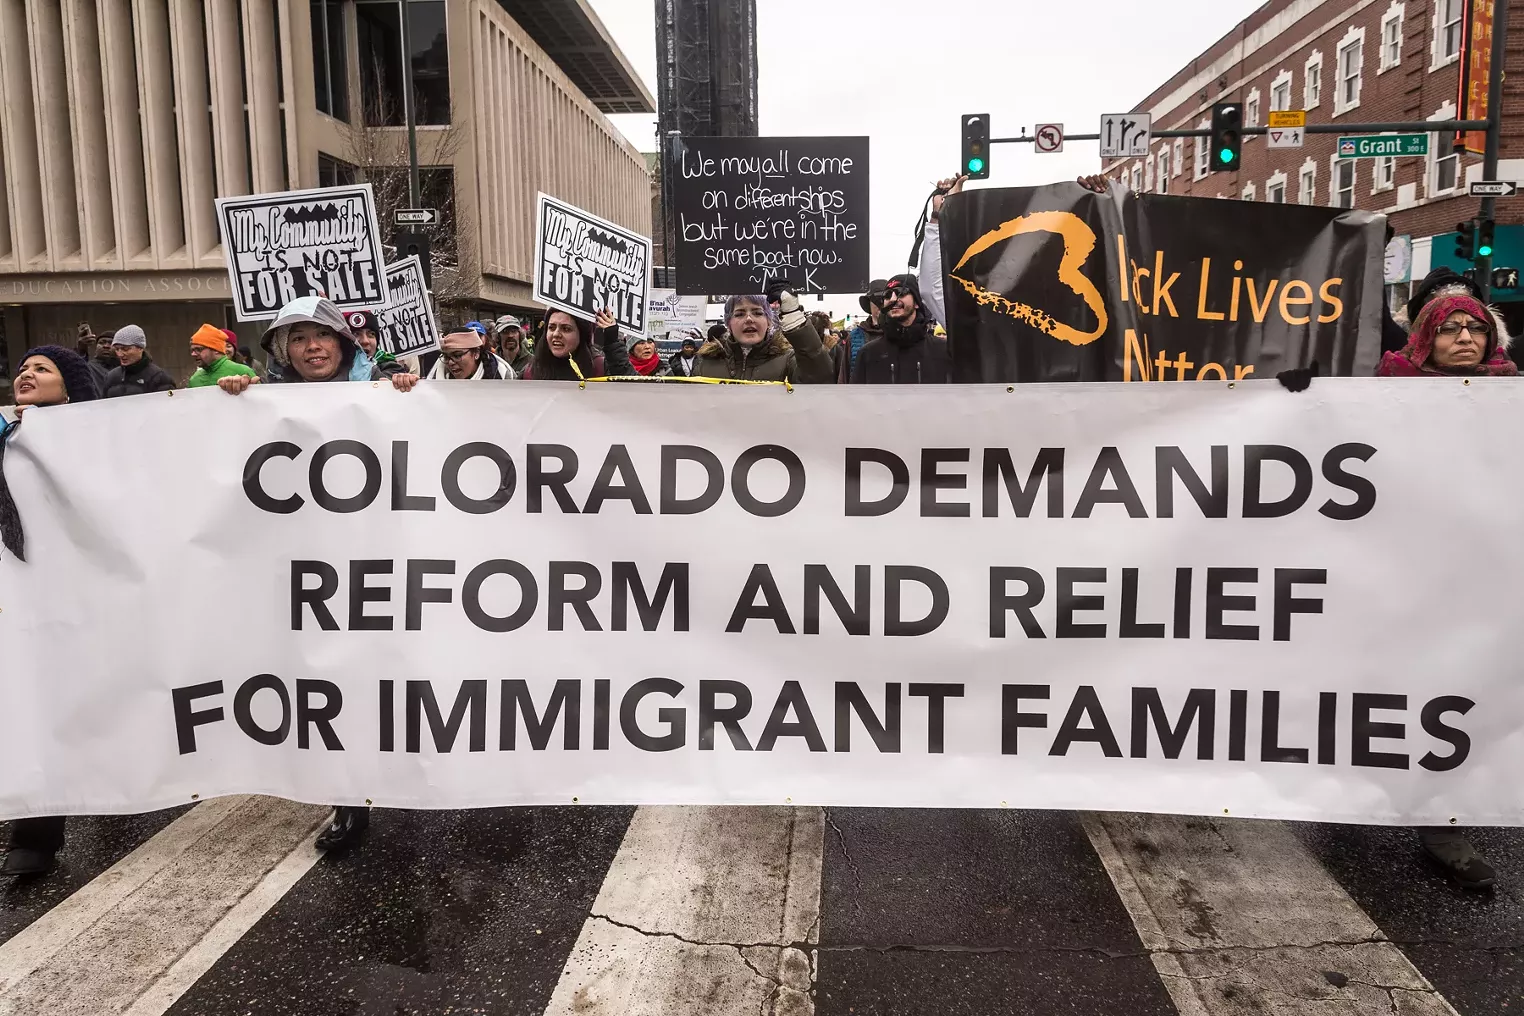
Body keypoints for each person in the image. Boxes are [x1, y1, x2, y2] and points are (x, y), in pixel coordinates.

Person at [216, 296, 416, 853]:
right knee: (329, 682)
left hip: (378, 558)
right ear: (284, 351)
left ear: (341, 343)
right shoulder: (265, 402)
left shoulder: (381, 388)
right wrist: (232, 402)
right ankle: (350, 802)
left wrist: (409, 392)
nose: (311, 347)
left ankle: (406, 775)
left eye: (319, 336)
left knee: (384, 674)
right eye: (298, 339)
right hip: (310, 571)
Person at [0, 345, 102, 876]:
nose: (27, 374)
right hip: (20, 590)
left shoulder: (100, 438)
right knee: (32, 701)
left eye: (42, 369)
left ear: (71, 387)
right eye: (23, 368)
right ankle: (36, 832)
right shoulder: (5, 433)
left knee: (92, 698)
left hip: (85, 589)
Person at [691, 287, 833, 383]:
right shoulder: (705, 364)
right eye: (740, 314)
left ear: (769, 322)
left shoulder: (787, 360)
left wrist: (793, 316)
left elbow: (820, 376)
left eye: (758, 313)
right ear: (728, 323)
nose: (749, 319)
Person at [1376, 292, 1517, 379]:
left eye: (1477, 328)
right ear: (1425, 339)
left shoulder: (1510, 382)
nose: (1466, 338)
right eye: (1449, 329)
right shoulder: (1392, 382)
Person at [851, 274, 952, 384]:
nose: (892, 299)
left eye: (901, 292)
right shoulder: (868, 354)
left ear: (917, 303)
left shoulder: (942, 350)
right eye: (887, 295)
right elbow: (856, 399)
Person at [519, 309, 632, 381]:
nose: (556, 334)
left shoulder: (600, 368)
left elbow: (635, 393)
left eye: (566, 329)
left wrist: (614, 346)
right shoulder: (529, 373)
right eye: (551, 327)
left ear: (581, 335)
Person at [102, 325, 175, 397]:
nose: (120, 354)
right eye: (117, 349)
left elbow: (168, 405)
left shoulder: (159, 377)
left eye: (125, 349)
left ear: (140, 348)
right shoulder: (111, 377)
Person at [186, 324, 258, 388]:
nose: (193, 354)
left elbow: (260, 400)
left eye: (198, 349)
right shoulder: (194, 379)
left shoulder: (242, 371)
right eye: (192, 350)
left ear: (216, 350)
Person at [427, 328, 515, 380]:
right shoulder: (436, 377)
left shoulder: (502, 374)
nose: (450, 362)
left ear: (476, 353)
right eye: (446, 356)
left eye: (457, 355)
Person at [844, 281, 888, 381]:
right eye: (876, 300)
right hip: (859, 394)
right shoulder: (854, 336)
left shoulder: (899, 334)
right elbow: (844, 375)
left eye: (884, 298)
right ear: (869, 303)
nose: (880, 304)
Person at [346, 311, 382, 381]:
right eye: (356, 334)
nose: (365, 341)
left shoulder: (390, 368)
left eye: (371, 334)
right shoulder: (330, 371)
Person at [88, 330, 119, 396]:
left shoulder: (126, 368)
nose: (106, 346)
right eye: (101, 343)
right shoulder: (89, 367)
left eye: (111, 343)